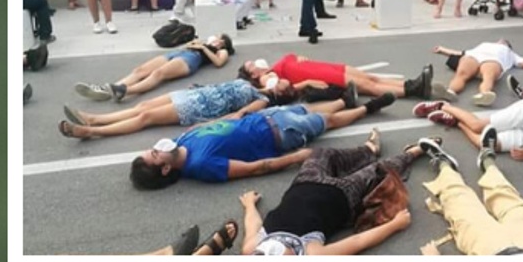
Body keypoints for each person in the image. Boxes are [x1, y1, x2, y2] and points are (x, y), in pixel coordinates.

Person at [128, 100, 396, 189]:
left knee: (307, 107)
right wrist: (297, 157)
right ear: (164, 169)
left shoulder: (180, 141)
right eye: (154, 154)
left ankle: (344, 99)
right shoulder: (201, 165)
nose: (157, 148)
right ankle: (368, 108)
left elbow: (215, 124)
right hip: (279, 133)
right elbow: (255, 168)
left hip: (262, 117)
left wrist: (243, 112)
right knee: (328, 121)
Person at [238, 138, 419, 256]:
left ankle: (368, 150)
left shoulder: (252, 248)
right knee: (379, 170)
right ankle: (412, 152)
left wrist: (249, 206)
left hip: (304, 182)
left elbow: (252, 226)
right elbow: (357, 242)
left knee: (323, 154)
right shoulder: (311, 253)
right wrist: (394, 225)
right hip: (343, 194)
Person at [419, 141, 523, 256]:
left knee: (462, 207)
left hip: (492, 252)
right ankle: (487, 161)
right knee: (510, 202)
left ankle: (443, 163)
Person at [60, 76, 280, 139]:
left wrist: (209, 124)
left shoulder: (262, 98)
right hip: (195, 93)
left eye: (281, 84)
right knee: (143, 105)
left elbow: (239, 114)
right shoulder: (250, 81)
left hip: (199, 107)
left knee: (146, 116)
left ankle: (92, 129)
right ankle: (95, 118)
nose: (276, 80)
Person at [74, 35, 232, 102]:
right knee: (140, 70)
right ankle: (106, 89)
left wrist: (204, 48)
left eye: (221, 40)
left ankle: (124, 91)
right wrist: (195, 43)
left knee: (159, 74)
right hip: (181, 52)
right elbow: (186, 45)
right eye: (217, 38)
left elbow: (218, 63)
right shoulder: (204, 41)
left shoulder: (220, 51)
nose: (217, 41)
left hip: (192, 59)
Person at [241, 54, 433, 100]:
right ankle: (412, 89)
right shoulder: (267, 78)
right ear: (254, 74)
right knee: (368, 86)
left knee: (370, 78)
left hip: (320, 67)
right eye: (251, 66)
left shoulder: (272, 68)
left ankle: (411, 83)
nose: (254, 62)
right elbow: (275, 89)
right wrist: (306, 83)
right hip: (317, 74)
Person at [428, 41, 523, 106]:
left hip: (494, 61)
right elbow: (461, 52)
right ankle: (450, 92)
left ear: (507, 45)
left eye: (504, 41)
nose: (501, 40)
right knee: (461, 73)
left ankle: (485, 95)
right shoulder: (484, 44)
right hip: (474, 56)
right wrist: (442, 50)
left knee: (488, 76)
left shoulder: (511, 53)